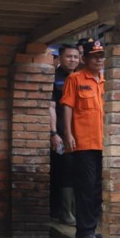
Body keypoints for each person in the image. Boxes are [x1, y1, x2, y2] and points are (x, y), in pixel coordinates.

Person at [61, 39, 105, 238]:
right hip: (84, 143)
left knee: (98, 188)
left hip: (105, 143)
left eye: (101, 56)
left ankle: (92, 228)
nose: (98, 59)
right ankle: (84, 231)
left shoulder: (107, 80)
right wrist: (68, 134)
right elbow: (67, 107)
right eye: (94, 56)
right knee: (86, 187)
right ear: (85, 58)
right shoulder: (75, 79)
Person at [50, 44, 80, 226]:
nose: (72, 60)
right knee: (64, 170)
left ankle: (75, 210)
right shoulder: (54, 79)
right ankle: (65, 212)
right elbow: (51, 107)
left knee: (78, 171)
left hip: (82, 133)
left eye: (76, 57)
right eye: (69, 56)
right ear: (60, 58)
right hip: (62, 133)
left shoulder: (82, 77)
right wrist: (53, 133)